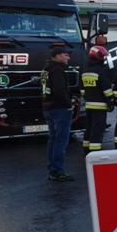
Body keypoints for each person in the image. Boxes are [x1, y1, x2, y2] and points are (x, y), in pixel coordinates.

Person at [41, 45, 76, 181]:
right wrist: (69, 105)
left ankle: (53, 170)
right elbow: (60, 90)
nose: (68, 57)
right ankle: (58, 171)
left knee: (53, 140)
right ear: (57, 56)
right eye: (66, 55)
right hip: (60, 109)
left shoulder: (47, 69)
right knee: (61, 141)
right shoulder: (57, 70)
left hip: (48, 108)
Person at [81, 45, 114, 153]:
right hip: (100, 105)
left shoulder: (85, 70)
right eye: (103, 56)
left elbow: (82, 90)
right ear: (98, 56)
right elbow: (106, 89)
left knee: (89, 127)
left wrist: (88, 98)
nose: (104, 58)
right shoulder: (101, 70)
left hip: (89, 104)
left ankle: (86, 147)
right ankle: (95, 151)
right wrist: (111, 100)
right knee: (97, 129)